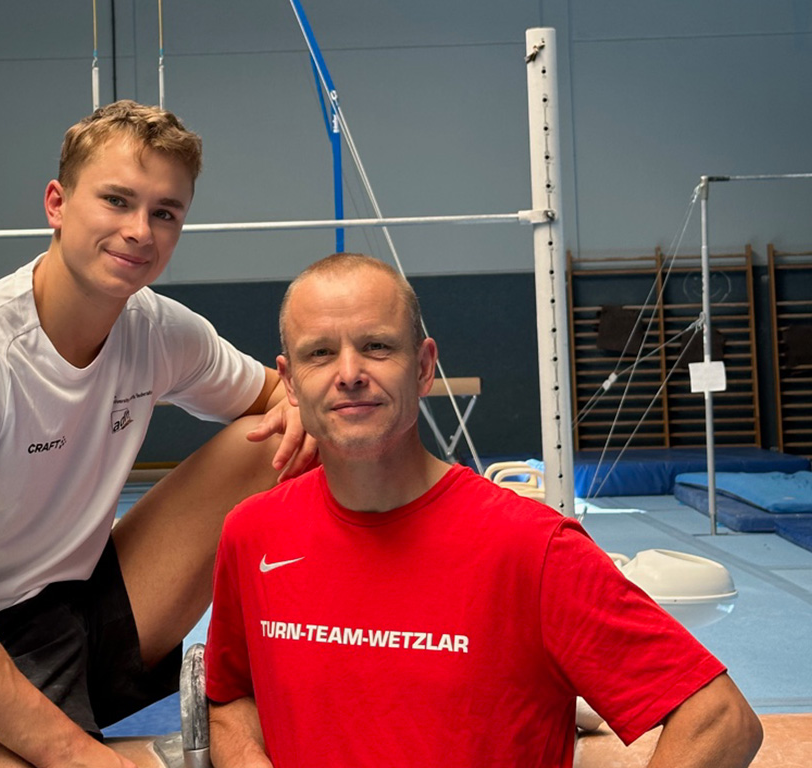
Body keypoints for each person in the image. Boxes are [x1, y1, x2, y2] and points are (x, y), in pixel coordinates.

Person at [0, 100, 315, 768]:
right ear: (57, 204)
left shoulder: (160, 330)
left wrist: (301, 403)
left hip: (77, 619)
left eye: (164, 212)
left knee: (279, 439)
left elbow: (277, 395)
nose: (139, 231)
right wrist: (80, 758)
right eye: (117, 201)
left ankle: (275, 676)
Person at [205, 253, 763, 768]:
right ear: (292, 382)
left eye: (377, 346)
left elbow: (720, 720)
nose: (349, 371)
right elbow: (230, 698)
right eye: (320, 352)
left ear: (424, 367)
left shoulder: (531, 547)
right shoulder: (253, 533)